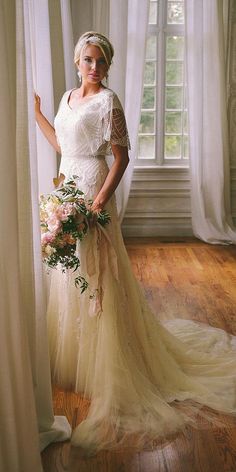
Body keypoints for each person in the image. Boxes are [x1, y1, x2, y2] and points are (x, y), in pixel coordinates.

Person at [35, 31, 236, 454]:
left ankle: (112, 364)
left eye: (101, 62)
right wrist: (38, 115)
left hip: (93, 188)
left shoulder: (110, 102)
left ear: (107, 67)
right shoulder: (68, 96)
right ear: (77, 62)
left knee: (100, 274)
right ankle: (75, 357)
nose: (94, 67)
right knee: (69, 270)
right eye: (88, 60)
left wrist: (99, 200)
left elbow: (122, 157)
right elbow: (61, 144)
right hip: (67, 183)